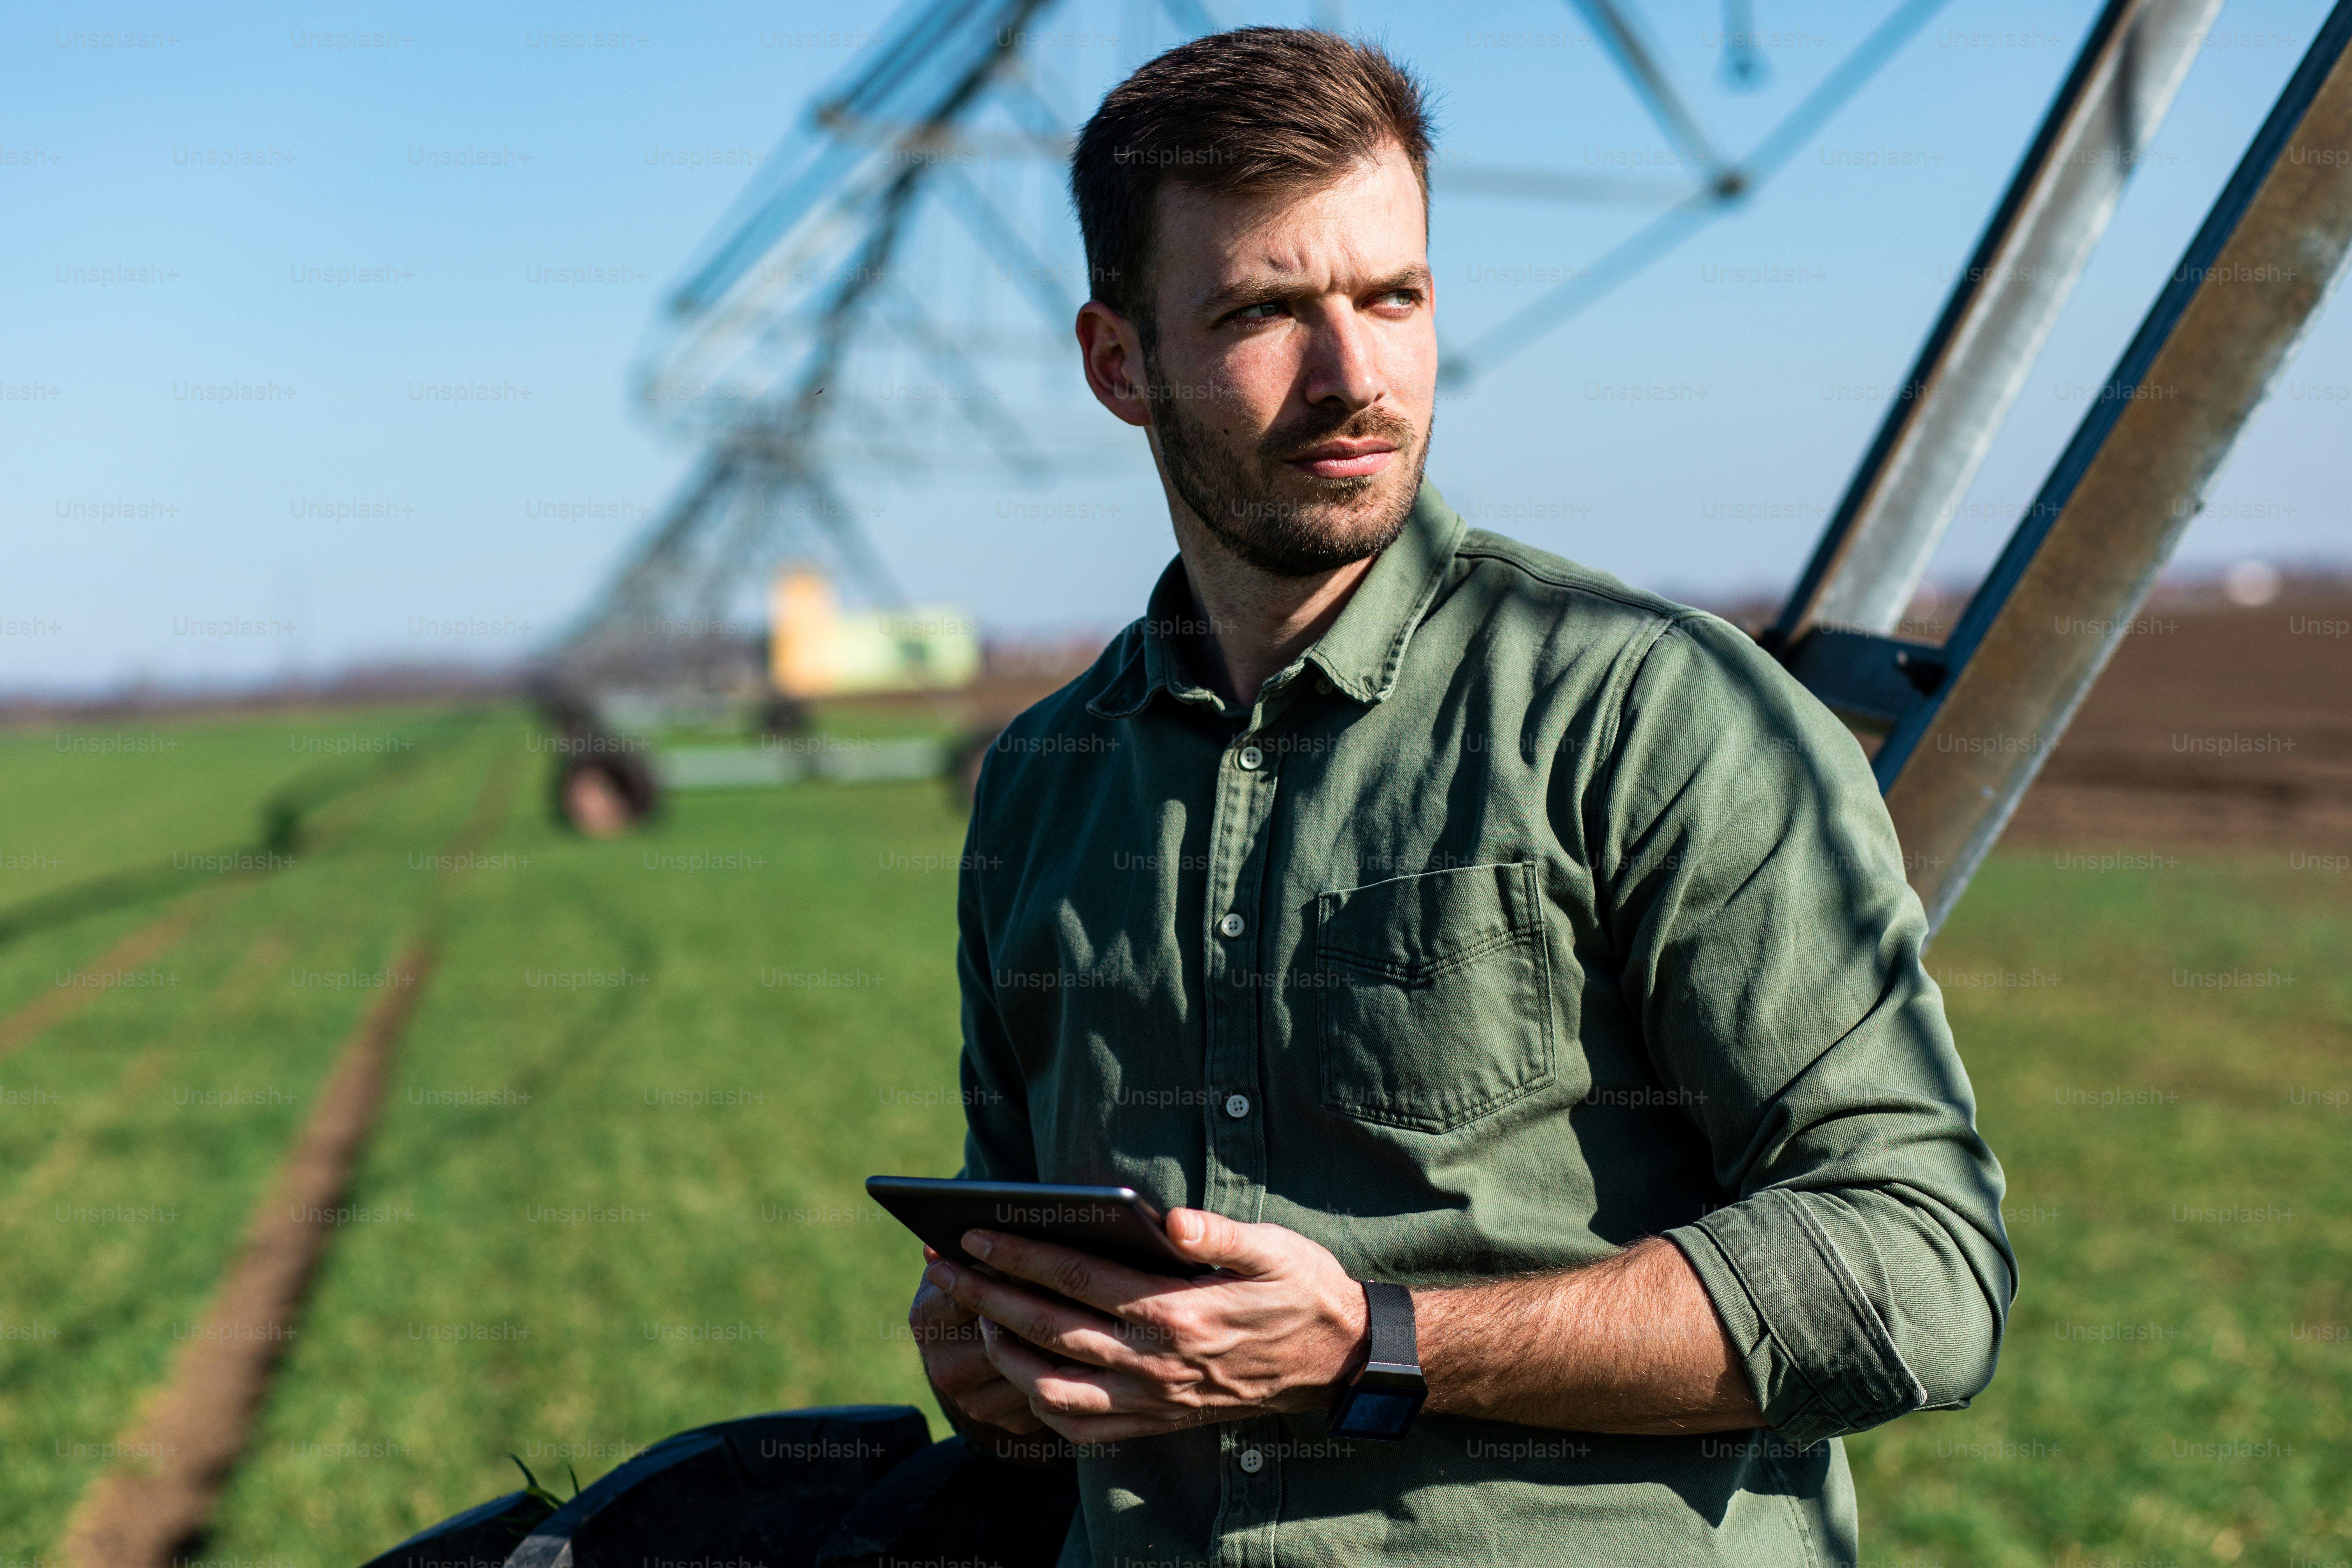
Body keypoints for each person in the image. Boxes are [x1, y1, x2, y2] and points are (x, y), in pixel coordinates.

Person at [908, 26, 2012, 1566]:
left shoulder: (1649, 713)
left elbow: (1921, 1267)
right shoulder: (1043, 784)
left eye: (1394, 297)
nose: (1355, 377)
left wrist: (1375, 1340)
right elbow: (1037, 1300)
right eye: (1266, 311)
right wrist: (1003, 1367)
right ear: (1119, 363)